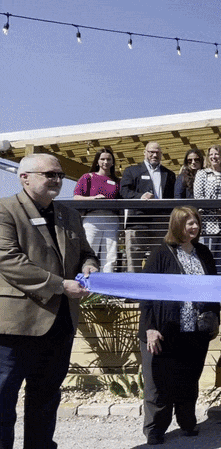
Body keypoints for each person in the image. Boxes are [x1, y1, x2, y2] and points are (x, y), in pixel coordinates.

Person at [0, 154, 98, 449]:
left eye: (59, 175)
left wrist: (89, 266)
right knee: (2, 402)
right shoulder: (5, 211)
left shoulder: (69, 214)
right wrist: (60, 285)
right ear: (25, 177)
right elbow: (9, 260)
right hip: (17, 326)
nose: (57, 180)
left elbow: (86, 252)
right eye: (50, 175)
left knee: (45, 401)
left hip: (60, 324)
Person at [138, 205, 220, 445]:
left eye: (196, 222)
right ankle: (155, 429)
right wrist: (150, 328)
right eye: (188, 222)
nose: (194, 227)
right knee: (158, 384)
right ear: (177, 225)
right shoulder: (160, 253)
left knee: (188, 380)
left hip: (195, 332)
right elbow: (146, 293)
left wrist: (214, 318)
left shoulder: (203, 253)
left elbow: (214, 289)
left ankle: (187, 422)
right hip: (164, 330)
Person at [120, 141, 177, 272]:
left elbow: (172, 199)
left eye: (157, 152)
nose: (154, 155)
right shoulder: (131, 171)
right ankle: (132, 290)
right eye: (151, 152)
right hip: (137, 223)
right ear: (145, 153)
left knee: (158, 260)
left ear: (161, 155)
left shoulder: (169, 174)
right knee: (133, 262)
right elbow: (124, 191)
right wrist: (140, 197)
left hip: (160, 223)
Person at [73, 148, 121, 272]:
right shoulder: (88, 177)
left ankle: (107, 283)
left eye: (108, 159)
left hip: (111, 218)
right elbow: (76, 197)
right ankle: (87, 280)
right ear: (97, 161)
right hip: (92, 217)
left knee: (111, 254)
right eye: (102, 159)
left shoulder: (117, 181)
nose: (105, 162)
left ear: (113, 162)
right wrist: (93, 198)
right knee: (90, 247)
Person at [193, 144, 221, 274]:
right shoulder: (202, 174)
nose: (213, 157)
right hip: (208, 225)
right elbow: (199, 198)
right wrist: (218, 212)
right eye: (211, 154)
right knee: (206, 259)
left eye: (216, 154)